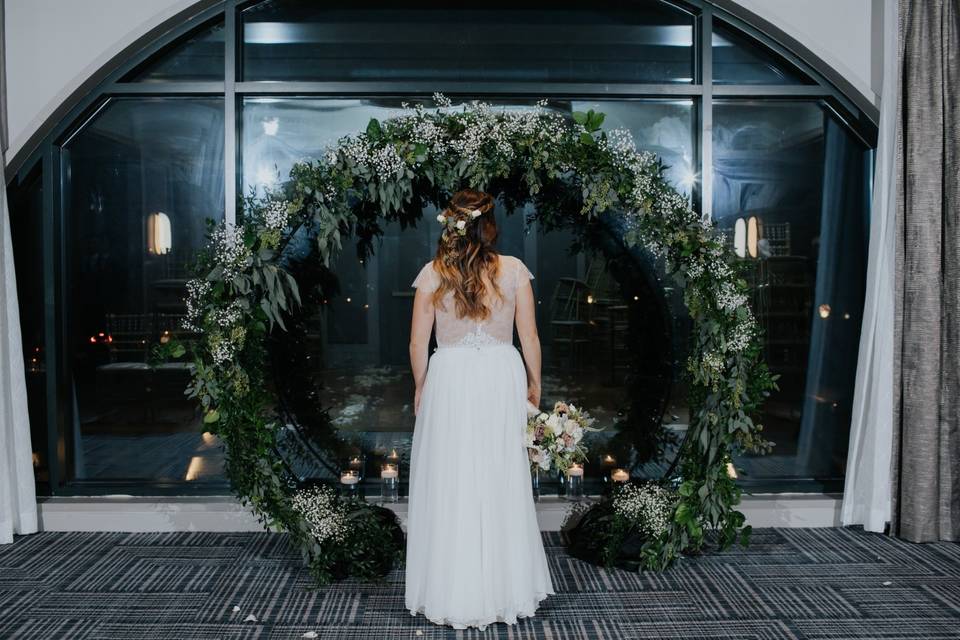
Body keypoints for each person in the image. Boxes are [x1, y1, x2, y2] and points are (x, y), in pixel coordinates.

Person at [403, 188, 556, 630]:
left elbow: (418, 342)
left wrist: (420, 386)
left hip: (449, 379)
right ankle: (502, 587)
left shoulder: (432, 275)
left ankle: (452, 587)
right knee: (497, 474)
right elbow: (529, 337)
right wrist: (535, 382)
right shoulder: (512, 272)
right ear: (489, 225)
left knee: (452, 477)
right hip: (498, 375)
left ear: (451, 223)